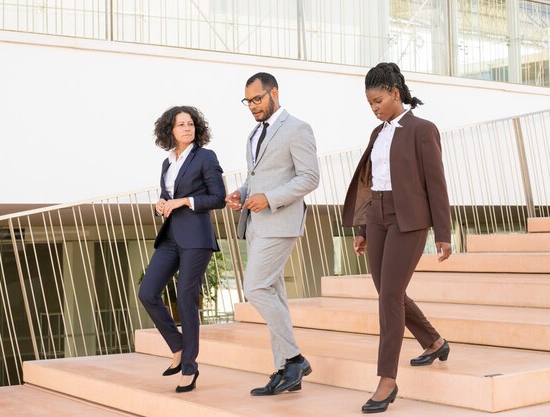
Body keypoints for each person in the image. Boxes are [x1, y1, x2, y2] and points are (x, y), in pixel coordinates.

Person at [342, 62, 452, 413]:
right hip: (377, 217)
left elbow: (436, 183)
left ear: (394, 93)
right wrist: (362, 230)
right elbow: (371, 182)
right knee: (388, 290)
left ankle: (387, 379)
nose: (374, 108)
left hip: (410, 221)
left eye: (377, 101)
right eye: (369, 104)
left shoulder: (423, 129)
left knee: (389, 294)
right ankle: (434, 341)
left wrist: (444, 233)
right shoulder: (377, 134)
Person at [225, 72, 320, 396]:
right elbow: (258, 179)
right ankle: (285, 369)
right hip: (256, 224)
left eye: (257, 99)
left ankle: (294, 358)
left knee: (255, 288)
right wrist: (242, 193)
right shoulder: (254, 134)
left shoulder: (297, 128)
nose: (253, 106)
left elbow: (309, 178)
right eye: (248, 101)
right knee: (274, 293)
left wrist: (270, 198)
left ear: (274, 93)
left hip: (281, 222)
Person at [139, 105, 226, 393]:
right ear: (170, 131)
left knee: (186, 297)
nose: (187, 128)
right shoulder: (168, 163)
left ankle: (189, 366)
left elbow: (218, 198)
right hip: (171, 237)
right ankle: (177, 347)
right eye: (181, 125)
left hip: (196, 238)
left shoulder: (205, 157)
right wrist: (161, 204)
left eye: (191, 124)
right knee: (148, 292)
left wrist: (185, 201)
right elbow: (167, 196)